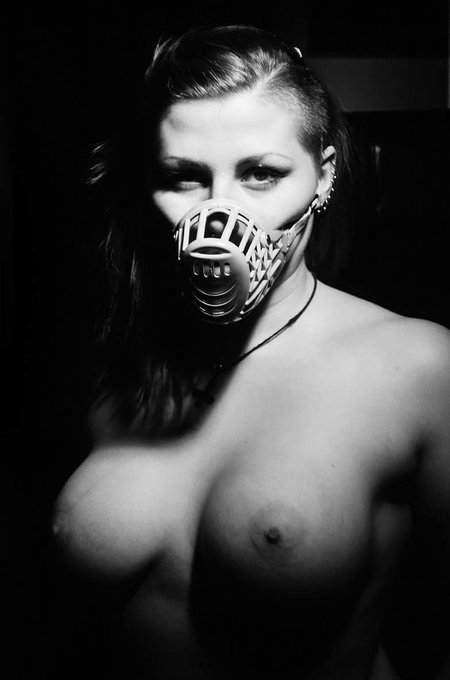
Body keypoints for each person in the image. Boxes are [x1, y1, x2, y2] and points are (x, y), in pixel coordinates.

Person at [52, 24, 450, 680]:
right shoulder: (117, 362)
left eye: (261, 173)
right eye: (184, 177)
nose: (219, 214)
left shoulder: (421, 368)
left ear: (323, 176)